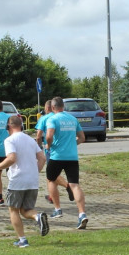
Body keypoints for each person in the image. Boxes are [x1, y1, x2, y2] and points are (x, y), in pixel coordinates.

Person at [0, 115, 48, 247]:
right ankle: (37, 216)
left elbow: (12, 158)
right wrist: (35, 172)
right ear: (21, 125)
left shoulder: (10, 140)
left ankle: (22, 240)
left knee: (13, 211)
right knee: (26, 210)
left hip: (18, 180)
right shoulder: (31, 140)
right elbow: (42, 158)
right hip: (32, 181)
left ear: (8, 127)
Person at [45, 96, 89, 229]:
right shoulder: (72, 119)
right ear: (63, 106)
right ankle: (82, 213)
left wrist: (49, 145)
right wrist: (73, 143)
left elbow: (49, 135)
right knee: (74, 185)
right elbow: (82, 138)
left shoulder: (52, 119)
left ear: (53, 107)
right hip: (72, 157)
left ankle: (57, 209)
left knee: (51, 180)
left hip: (57, 156)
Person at [35, 100, 71, 212]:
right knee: (49, 174)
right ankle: (52, 196)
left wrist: (38, 148)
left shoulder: (44, 118)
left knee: (51, 174)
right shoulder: (59, 116)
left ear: (47, 108)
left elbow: (38, 135)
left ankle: (68, 186)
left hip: (50, 148)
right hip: (64, 149)